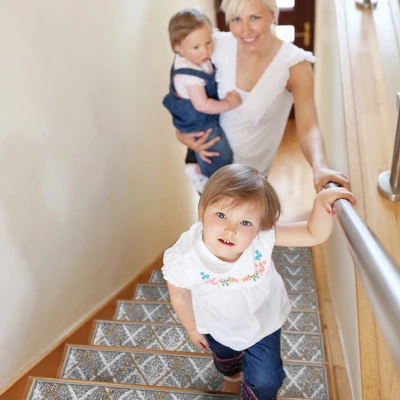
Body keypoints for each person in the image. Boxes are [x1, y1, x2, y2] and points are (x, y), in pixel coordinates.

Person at [162, 164, 356, 400]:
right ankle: (232, 377)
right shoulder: (184, 259)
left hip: (263, 321)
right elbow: (180, 296)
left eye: (245, 223)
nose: (230, 229)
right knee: (226, 359)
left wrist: (322, 203)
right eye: (221, 215)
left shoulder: (261, 239)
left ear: (258, 229)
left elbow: (312, 233)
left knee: (267, 380)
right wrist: (191, 329)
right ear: (201, 213)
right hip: (215, 324)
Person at [175, 0, 350, 193]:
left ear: (273, 15)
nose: (245, 30)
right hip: (208, 168)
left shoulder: (296, 65)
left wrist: (320, 166)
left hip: (249, 181)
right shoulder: (214, 46)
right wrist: (181, 133)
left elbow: (309, 127)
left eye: (255, 18)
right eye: (236, 19)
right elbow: (182, 86)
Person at [163, 7, 242, 186]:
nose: (205, 51)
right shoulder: (189, 76)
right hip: (198, 123)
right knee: (220, 153)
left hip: (199, 117)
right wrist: (229, 103)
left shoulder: (194, 57)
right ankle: (202, 175)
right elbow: (202, 105)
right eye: (196, 47)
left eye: (208, 43)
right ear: (178, 48)